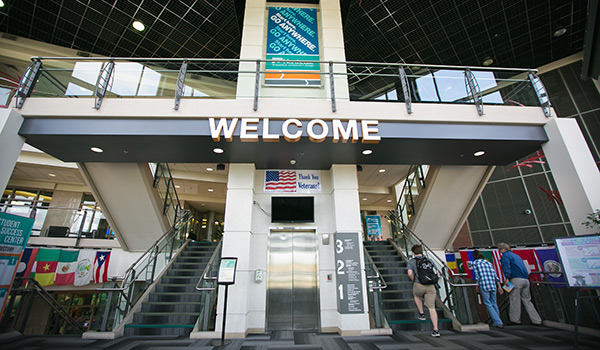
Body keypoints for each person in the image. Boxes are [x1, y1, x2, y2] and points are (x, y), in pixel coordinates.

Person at [497, 242, 542, 326]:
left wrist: (506, 278)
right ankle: (536, 320)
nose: (499, 251)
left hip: (515, 279)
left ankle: (515, 320)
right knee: (527, 300)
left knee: (514, 299)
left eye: (499, 249)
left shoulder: (505, 256)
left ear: (503, 249)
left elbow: (506, 266)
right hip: (525, 279)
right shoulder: (517, 256)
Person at [407, 244, 440, 337]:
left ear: (413, 252)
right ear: (421, 251)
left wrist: (414, 279)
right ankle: (436, 329)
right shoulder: (429, 260)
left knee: (417, 297)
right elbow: (437, 271)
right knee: (432, 308)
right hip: (430, 286)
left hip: (418, 284)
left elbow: (410, 273)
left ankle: (421, 313)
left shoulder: (412, 261)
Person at [471, 250, 504, 329]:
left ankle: (498, 322)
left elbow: (477, 276)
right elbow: (495, 275)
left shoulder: (475, 263)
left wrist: (477, 286)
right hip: (493, 284)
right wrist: (499, 286)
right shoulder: (488, 263)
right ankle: (497, 320)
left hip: (484, 284)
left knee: (488, 303)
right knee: (494, 303)